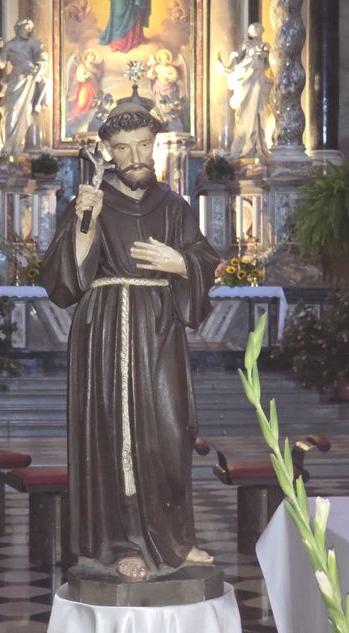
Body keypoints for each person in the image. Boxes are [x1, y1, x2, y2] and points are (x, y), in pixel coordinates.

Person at [42, 103, 218, 582]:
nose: (136, 156)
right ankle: (120, 543)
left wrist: (180, 263)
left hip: (160, 329)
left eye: (143, 145)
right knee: (112, 434)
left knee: (171, 431)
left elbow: (204, 260)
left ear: (154, 145)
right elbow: (64, 283)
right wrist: (87, 223)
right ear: (107, 151)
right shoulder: (91, 202)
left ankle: (174, 539)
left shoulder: (174, 206)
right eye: (123, 148)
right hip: (106, 332)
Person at [218, 23, 272, 161]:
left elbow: (268, 65)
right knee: (243, 114)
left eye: (256, 28)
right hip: (244, 80)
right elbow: (236, 59)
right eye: (252, 29)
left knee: (257, 112)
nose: (254, 31)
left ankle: (256, 147)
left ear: (261, 31)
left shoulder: (265, 46)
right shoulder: (246, 44)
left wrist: (264, 56)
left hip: (257, 80)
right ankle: (243, 146)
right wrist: (229, 65)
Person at [0, 18, 48, 156]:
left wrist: (37, 73)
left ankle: (20, 146)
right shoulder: (9, 45)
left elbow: (42, 59)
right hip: (16, 79)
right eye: (26, 28)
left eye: (30, 29)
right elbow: (1, 63)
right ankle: (8, 145)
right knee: (11, 110)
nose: (28, 31)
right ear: (18, 28)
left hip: (29, 79)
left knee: (27, 111)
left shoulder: (33, 43)